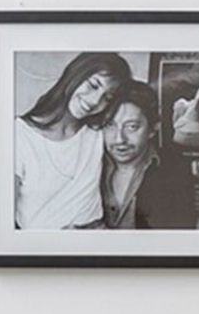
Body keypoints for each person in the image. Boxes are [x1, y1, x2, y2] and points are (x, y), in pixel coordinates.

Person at [14, 51, 131, 229]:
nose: (94, 101)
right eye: (93, 85)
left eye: (107, 97)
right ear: (75, 74)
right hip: (42, 248)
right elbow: (1, 224)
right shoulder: (19, 135)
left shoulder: (97, 131)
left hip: (96, 241)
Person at [101, 81, 196, 230]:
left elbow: (178, 242)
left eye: (132, 127)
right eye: (110, 126)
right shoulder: (88, 163)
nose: (119, 139)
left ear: (153, 128)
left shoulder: (176, 172)